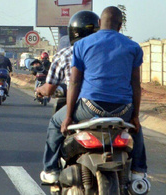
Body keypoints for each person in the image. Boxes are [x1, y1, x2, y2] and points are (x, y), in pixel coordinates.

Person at [40, 6, 149, 185]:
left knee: (54, 123)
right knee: (135, 128)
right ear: (120, 26)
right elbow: (136, 85)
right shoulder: (133, 47)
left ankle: (51, 170)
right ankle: (138, 171)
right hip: (122, 110)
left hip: (89, 108)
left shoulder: (82, 45)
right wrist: (135, 116)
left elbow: (74, 82)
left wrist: (68, 117)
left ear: (99, 23)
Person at [36, 10, 100, 98]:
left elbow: (49, 89)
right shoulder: (108, 53)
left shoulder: (65, 54)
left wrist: (39, 90)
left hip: (81, 104)